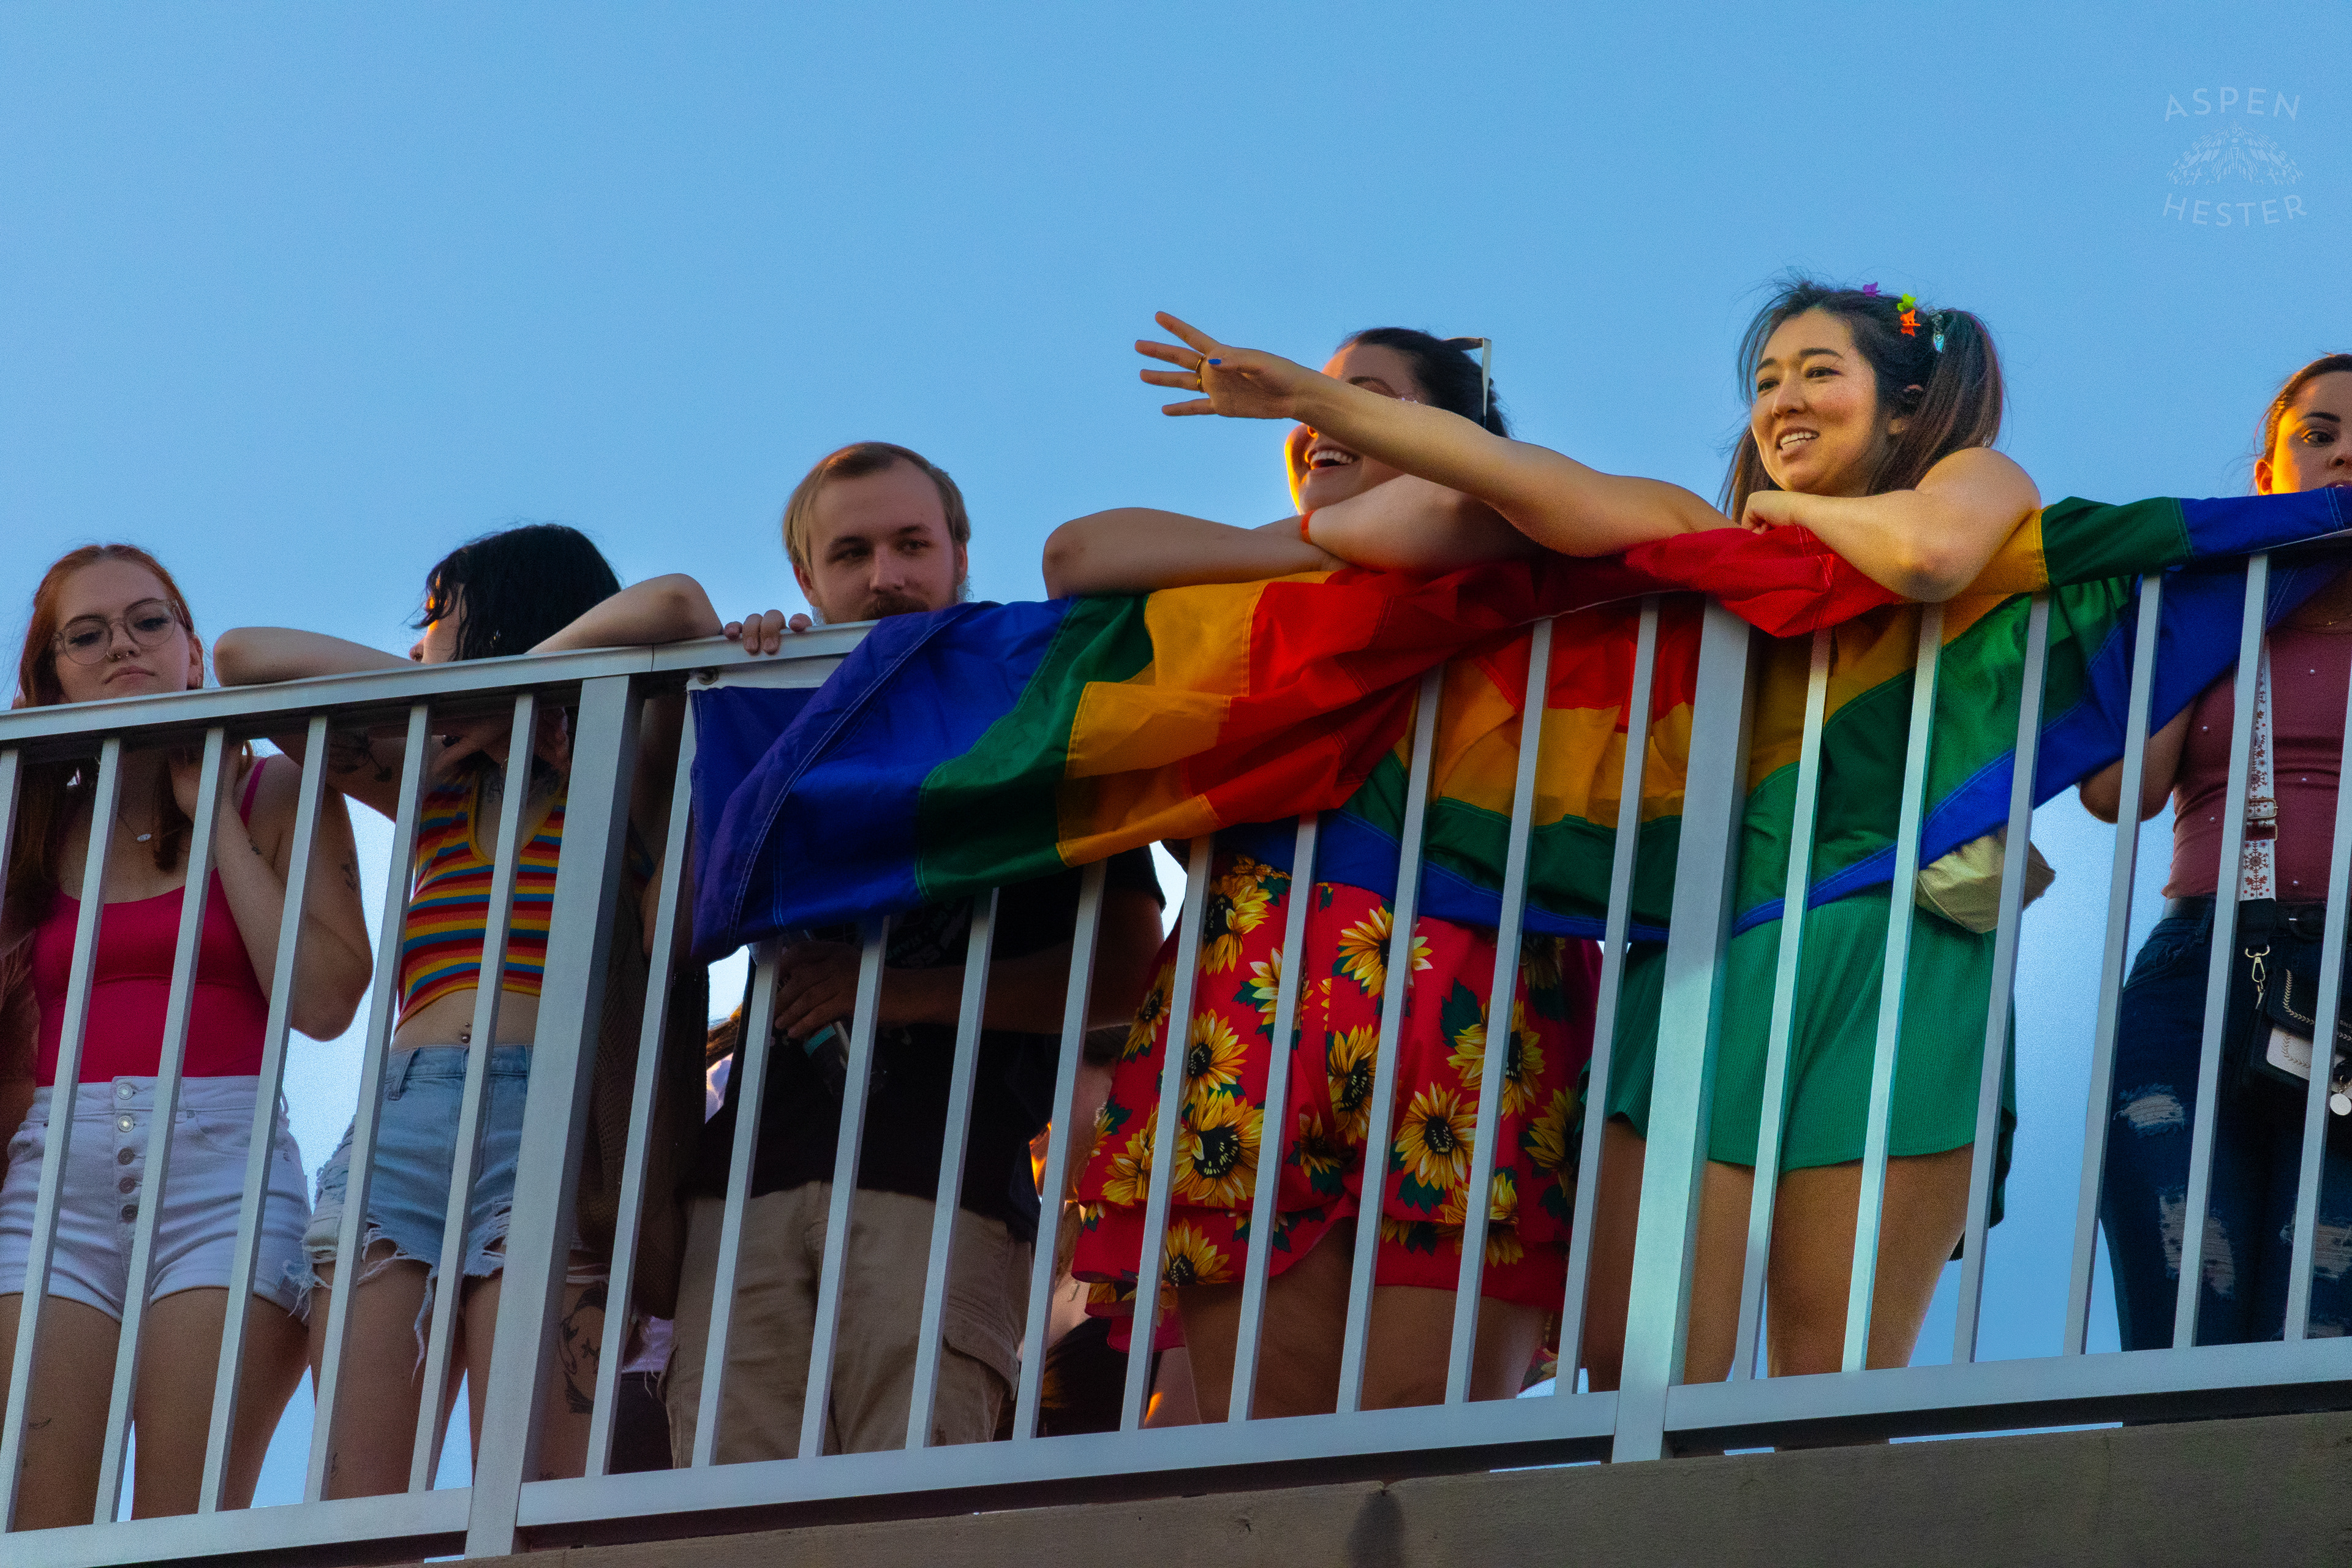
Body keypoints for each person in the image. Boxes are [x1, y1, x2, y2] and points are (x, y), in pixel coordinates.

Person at [1046, 325, 1676, 1419]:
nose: (1311, 421)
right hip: (1258, 1003)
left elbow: (1447, 510)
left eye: (1357, 400)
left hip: (1466, 1005)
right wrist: (1320, 555)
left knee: (1412, 1450)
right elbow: (1078, 555)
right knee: (1260, 1452)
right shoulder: (1290, 573)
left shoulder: (1511, 525)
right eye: (1311, 408)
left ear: (1442, 431)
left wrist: (1333, 544)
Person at [669, 441, 1166, 1462]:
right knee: (719, 1526)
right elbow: (672, 918)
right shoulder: (781, 713)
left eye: (911, 544)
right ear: (806, 578)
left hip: (948, 1185)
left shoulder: (1033, 707)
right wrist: (755, 682)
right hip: (747, 1190)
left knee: (899, 1513)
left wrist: (899, 993)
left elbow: (1124, 970)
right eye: (850, 553)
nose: (886, 577)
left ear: (961, 555)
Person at [1578, 281, 2035, 1383]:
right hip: (1710, 944)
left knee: (1831, 1392)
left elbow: (1932, 557)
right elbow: (1536, 491)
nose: (1781, 399)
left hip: (1901, 951)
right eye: (1765, 380)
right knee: (1642, 1378)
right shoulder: (1716, 544)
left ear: (1906, 403)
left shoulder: (1974, 480)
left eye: (1819, 370)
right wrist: (1322, 401)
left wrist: (1791, 521)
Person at [213, 523, 719, 1493]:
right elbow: (244, 656)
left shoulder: (627, 755)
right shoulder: (430, 778)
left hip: (562, 1119)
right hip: (407, 1119)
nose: (413, 647)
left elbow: (681, 603)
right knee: (354, 1505)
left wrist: (512, 685)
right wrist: (468, 705)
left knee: (528, 1499)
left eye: (437, 617)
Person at [0, 544, 372, 1526]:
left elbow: (327, 1001)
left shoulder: (279, 793)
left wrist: (212, 818)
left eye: (149, 621)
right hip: (51, 1190)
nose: (123, 643)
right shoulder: (27, 833)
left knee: (185, 1529)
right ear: (48, 683)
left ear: (193, 652)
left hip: (225, 1181)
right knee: (36, 1536)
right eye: (87, 635)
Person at [2087, 353, 2352, 1345]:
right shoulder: (2218, 613)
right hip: (2200, 966)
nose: (2343, 460)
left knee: (2321, 1315)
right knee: (2182, 1301)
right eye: (2317, 437)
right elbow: (2121, 792)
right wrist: (2185, 626)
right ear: (2269, 475)